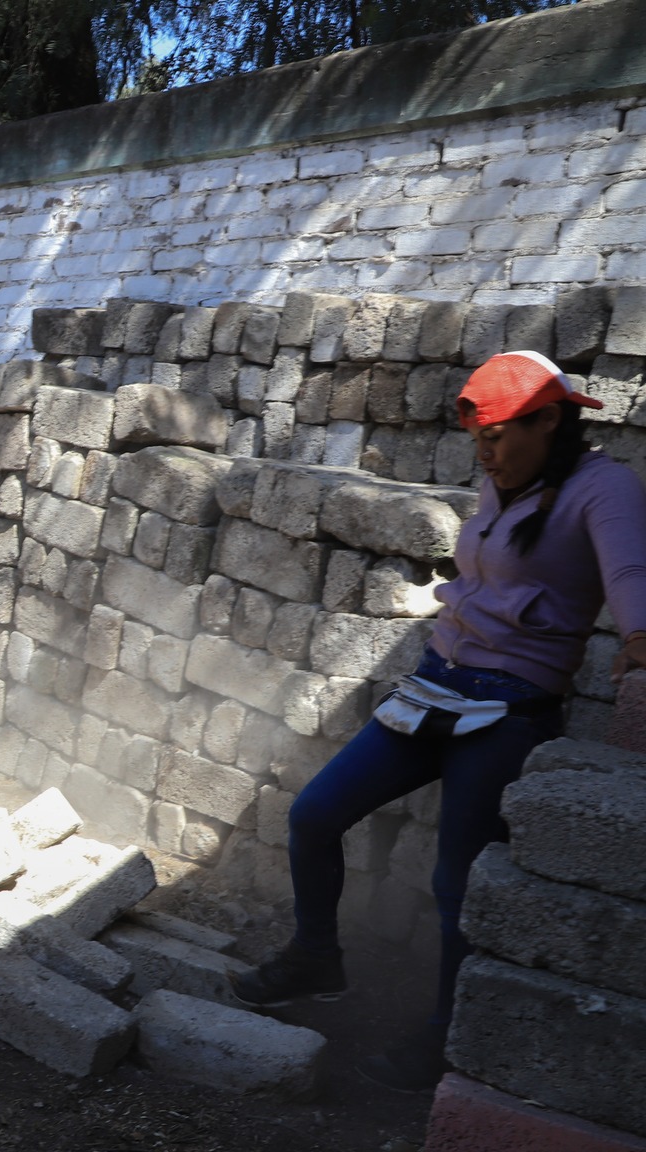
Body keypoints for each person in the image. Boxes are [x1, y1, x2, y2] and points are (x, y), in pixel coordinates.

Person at [230, 351, 646, 1091]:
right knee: (315, 813)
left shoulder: (603, 489)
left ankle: (444, 1037)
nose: (485, 456)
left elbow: (630, 576)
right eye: (478, 441)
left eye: (499, 437)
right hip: (436, 684)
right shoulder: (501, 483)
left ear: (550, 419)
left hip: (511, 708)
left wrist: (640, 639)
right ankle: (317, 955)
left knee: (457, 877)